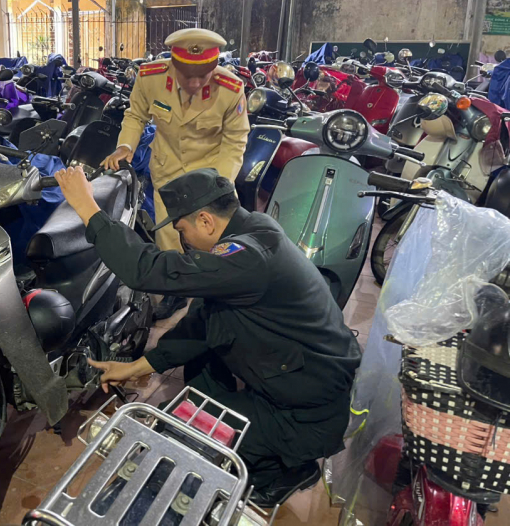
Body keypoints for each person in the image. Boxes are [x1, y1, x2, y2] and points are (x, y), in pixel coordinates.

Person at [53, 165, 363, 507]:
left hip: (303, 413)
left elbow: (148, 270)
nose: (183, 241)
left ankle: (283, 472)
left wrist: (87, 208)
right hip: (294, 374)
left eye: (181, 229)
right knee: (200, 357)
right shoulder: (254, 229)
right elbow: (203, 320)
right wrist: (139, 365)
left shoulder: (246, 258)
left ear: (205, 221)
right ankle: (242, 431)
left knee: (187, 436)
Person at [102, 28, 250, 318]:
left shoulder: (231, 88)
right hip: (168, 169)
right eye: (187, 76)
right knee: (170, 235)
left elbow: (235, 141)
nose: (195, 83)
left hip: (212, 172)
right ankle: (174, 292)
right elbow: (135, 115)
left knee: (214, 238)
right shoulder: (150, 77)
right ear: (172, 66)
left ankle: (213, 295)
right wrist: (124, 146)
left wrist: (218, 184)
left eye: (203, 75)